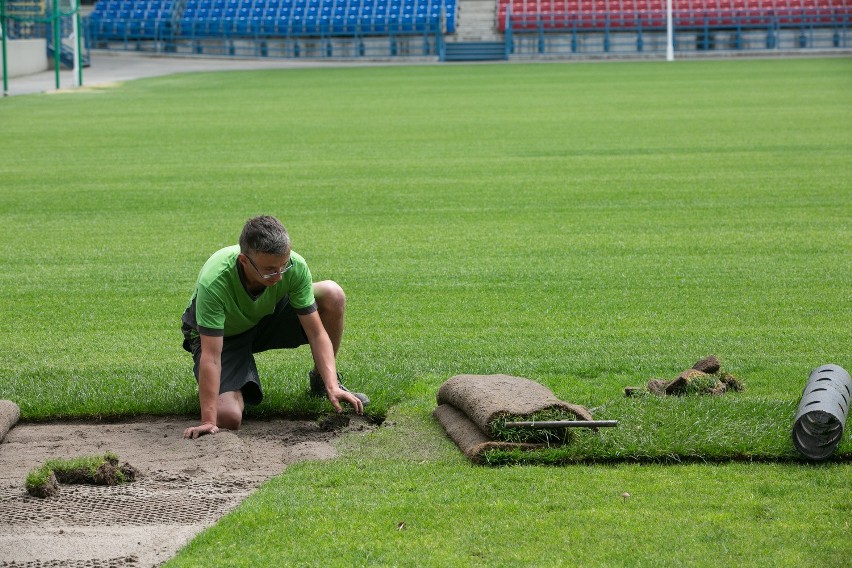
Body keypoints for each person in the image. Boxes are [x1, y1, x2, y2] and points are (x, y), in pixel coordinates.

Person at [180, 215, 368, 439]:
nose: (279, 277)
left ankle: (321, 383)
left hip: (264, 317)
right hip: (224, 336)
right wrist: (208, 421)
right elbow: (211, 356)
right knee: (228, 417)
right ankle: (226, 387)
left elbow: (316, 333)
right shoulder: (215, 282)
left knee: (332, 294)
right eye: (270, 270)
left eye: (283, 266)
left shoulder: (293, 266)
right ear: (244, 261)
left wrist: (332, 384)